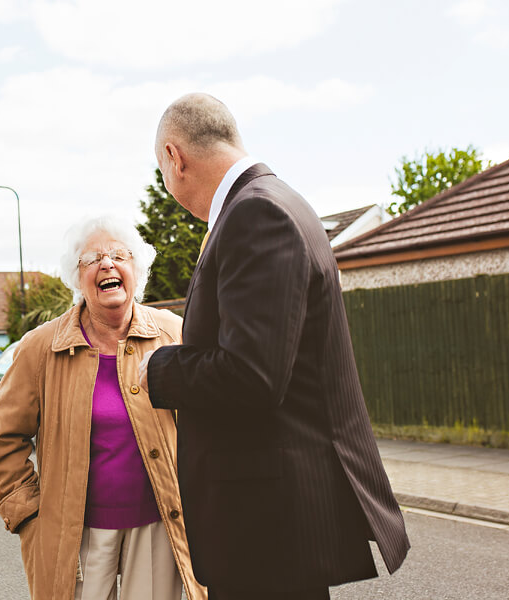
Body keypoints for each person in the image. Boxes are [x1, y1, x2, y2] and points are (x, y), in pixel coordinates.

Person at [138, 93, 410, 599]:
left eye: (162, 169)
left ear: (175, 157)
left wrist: (159, 368)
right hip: (274, 525)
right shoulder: (278, 201)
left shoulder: (255, 213)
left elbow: (253, 375)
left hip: (264, 526)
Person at [0, 216, 207, 600]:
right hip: (77, 532)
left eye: (119, 255)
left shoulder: (173, 334)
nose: (107, 264)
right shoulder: (40, 347)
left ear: (136, 269)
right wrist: (29, 515)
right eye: (92, 259)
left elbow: (207, 421)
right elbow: (5, 437)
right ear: (77, 277)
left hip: (157, 526)